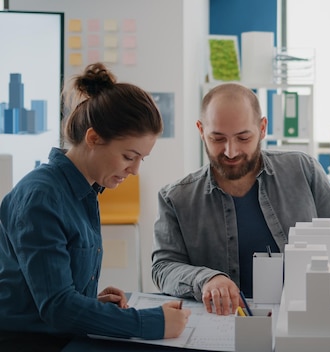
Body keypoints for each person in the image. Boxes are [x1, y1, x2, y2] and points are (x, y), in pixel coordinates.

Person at [0, 63, 190, 351]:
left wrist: (90, 304)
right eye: (129, 156)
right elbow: (58, 308)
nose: (135, 170)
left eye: (142, 159)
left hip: (59, 334)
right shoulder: (41, 197)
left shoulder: (85, 193)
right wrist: (151, 322)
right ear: (93, 138)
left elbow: (54, 294)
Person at [152, 83, 330, 316]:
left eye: (243, 138)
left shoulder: (303, 169)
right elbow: (164, 268)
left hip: (305, 317)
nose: (231, 151)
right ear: (201, 130)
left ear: (262, 128)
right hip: (227, 325)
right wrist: (206, 279)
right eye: (218, 139)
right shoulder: (176, 198)